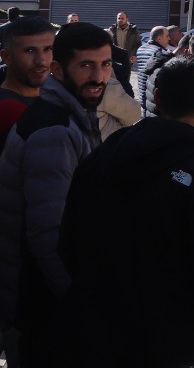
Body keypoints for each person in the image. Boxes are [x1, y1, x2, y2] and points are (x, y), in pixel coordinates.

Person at [56, 55, 194, 367]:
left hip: (98, 332)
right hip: (177, 344)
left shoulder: (106, 152)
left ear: (156, 98)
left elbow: (69, 241)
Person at [0, 22, 112, 364]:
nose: (98, 76)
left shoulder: (71, 115)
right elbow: (48, 232)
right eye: (86, 65)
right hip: (37, 299)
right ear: (59, 70)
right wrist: (79, 302)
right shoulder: (53, 129)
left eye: (106, 64)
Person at [0, 19, 54, 141]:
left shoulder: (54, 98)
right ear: (6, 57)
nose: (41, 60)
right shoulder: (6, 109)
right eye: (29, 50)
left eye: (48, 49)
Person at [135, 26, 168, 104]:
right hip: (152, 95)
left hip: (142, 91)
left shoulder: (141, 49)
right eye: (167, 36)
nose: (169, 39)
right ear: (159, 38)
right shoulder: (159, 52)